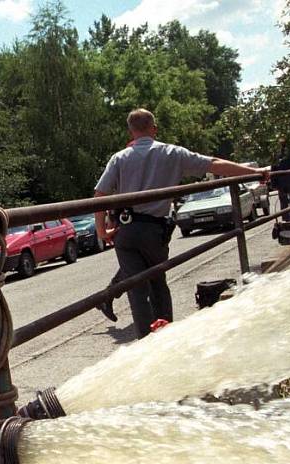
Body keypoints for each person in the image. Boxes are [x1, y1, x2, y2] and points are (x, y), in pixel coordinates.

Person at [94, 108, 267, 339]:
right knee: (157, 282)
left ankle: (145, 342)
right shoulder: (172, 152)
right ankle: (166, 335)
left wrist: (101, 230)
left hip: (126, 230)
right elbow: (214, 164)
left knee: (136, 288)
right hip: (155, 230)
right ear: (154, 129)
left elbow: (99, 195)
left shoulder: (119, 158)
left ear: (131, 131)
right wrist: (255, 171)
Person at [270, 138, 290, 222]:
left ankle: (286, 219)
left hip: (281, 183)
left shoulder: (276, 156)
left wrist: (274, 184)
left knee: (283, 202)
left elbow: (272, 170)